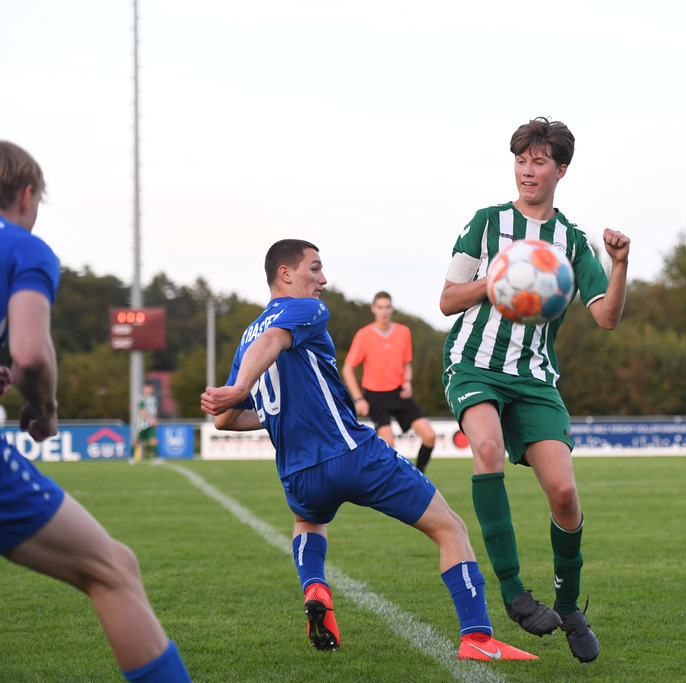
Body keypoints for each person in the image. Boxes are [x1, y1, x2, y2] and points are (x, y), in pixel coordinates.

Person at [200, 239, 535, 661]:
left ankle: (315, 587)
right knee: (450, 528)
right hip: (352, 454)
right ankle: (478, 639)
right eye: (314, 268)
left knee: (307, 522)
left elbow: (224, 420)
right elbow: (273, 340)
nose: (323, 279)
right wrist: (240, 389)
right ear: (285, 274)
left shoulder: (244, 339)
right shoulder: (306, 310)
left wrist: (251, 400)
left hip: (298, 473)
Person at [438, 117, 631, 663]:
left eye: (539, 161)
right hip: (474, 364)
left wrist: (619, 264)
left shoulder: (571, 240)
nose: (527, 170)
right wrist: (497, 278)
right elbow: (448, 299)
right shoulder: (485, 223)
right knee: (486, 447)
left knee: (565, 494)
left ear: (560, 170)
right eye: (521, 160)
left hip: (535, 378)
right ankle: (513, 593)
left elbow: (607, 317)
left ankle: (569, 608)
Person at [0, 140, 190, 682]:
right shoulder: (24, 248)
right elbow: (30, 354)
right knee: (112, 568)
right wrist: (46, 407)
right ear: (27, 195)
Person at [342, 291, 436, 472]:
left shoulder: (403, 332)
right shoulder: (364, 335)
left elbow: (406, 364)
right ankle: (387, 482)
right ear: (373, 309)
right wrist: (359, 399)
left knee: (429, 436)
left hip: (399, 393)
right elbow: (347, 369)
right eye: (380, 307)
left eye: (387, 307)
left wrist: (408, 381)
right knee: (388, 442)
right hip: (375, 395)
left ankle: (419, 476)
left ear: (392, 309)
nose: (384, 311)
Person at [133, 382, 161, 463]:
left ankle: (155, 457)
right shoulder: (141, 398)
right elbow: (141, 411)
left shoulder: (154, 399)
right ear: (144, 389)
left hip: (151, 424)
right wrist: (150, 419)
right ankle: (132, 457)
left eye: (150, 388)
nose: (148, 390)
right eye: (147, 389)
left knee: (154, 440)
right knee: (137, 441)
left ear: (152, 389)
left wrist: (155, 420)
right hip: (141, 424)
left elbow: (155, 411)